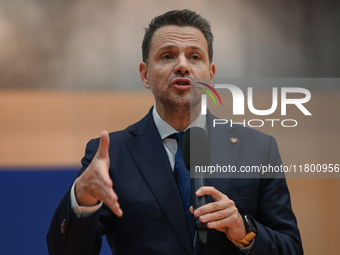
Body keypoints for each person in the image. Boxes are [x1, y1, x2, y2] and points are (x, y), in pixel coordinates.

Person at [47, 9, 303, 255]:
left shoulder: (258, 149)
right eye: (167, 56)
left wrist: (243, 230)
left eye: (194, 57)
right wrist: (81, 198)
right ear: (145, 75)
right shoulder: (112, 154)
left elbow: (291, 248)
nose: (182, 66)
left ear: (210, 76)